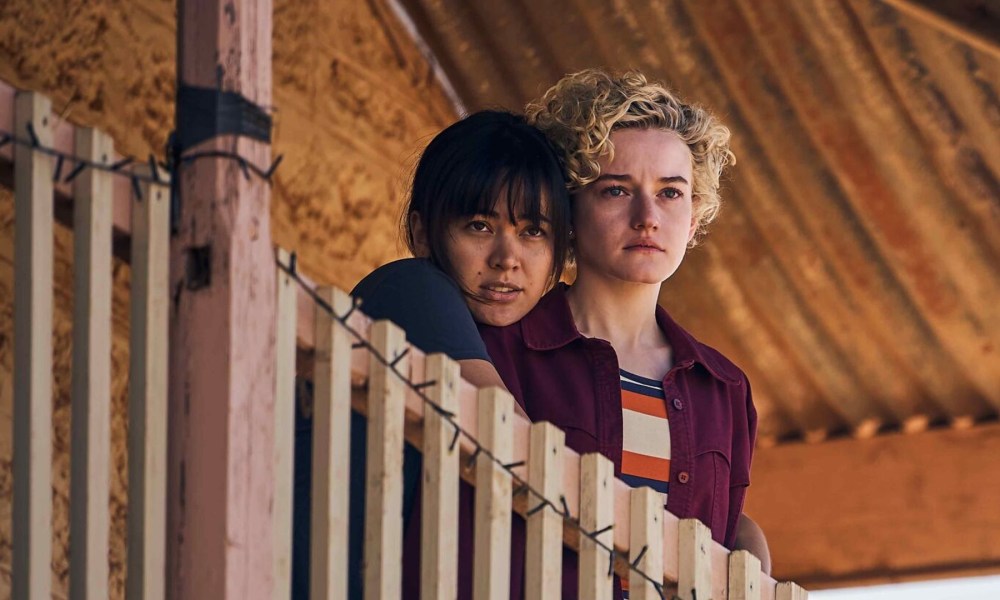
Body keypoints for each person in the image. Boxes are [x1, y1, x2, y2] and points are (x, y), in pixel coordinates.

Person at [478, 69, 769, 598]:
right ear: (569, 206)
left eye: (671, 193)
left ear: (696, 215)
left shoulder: (724, 388)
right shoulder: (502, 347)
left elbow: (728, 536)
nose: (647, 217)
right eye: (616, 189)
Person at [291, 110, 572, 598]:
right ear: (423, 233)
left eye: (533, 232)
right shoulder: (412, 288)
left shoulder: (504, 348)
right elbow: (513, 437)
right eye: (480, 226)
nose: (507, 257)